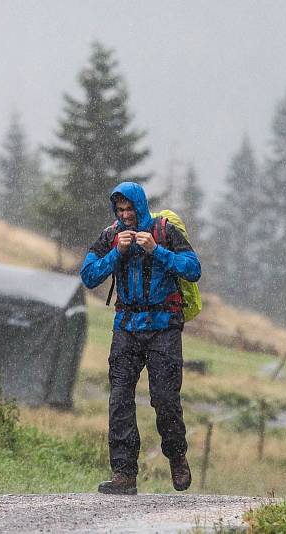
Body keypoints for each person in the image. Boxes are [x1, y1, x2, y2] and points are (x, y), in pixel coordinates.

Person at [80, 181, 201, 495]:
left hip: (164, 327)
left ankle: (176, 455)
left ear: (140, 206)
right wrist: (116, 254)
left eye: (129, 209)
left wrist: (156, 251)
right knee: (119, 399)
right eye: (119, 210)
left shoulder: (164, 231)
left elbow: (193, 269)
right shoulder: (111, 235)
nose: (125, 215)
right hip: (126, 328)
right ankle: (124, 474)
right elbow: (88, 274)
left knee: (164, 399)